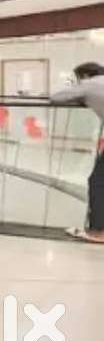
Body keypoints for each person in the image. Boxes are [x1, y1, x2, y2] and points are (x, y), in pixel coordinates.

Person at [51, 62, 104, 244]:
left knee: (98, 181)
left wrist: (79, 95)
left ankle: (99, 231)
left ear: (85, 75)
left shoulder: (89, 84)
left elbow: (56, 97)